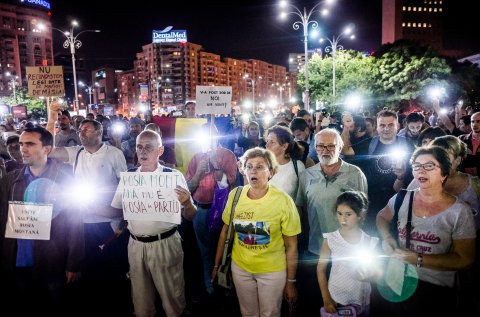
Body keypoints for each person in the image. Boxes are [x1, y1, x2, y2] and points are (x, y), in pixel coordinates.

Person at [46, 103, 130, 316]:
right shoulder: (76, 153)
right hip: (82, 225)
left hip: (107, 224)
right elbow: (49, 151)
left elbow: (125, 186)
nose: (81, 133)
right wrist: (51, 120)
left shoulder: (114, 154)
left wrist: (120, 217)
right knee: (85, 272)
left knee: (110, 272)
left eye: (86, 129)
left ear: (99, 132)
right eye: (80, 129)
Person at [376, 146, 476, 317]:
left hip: (436, 290)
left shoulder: (460, 212)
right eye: (416, 166)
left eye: (429, 166)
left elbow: (464, 259)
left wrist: (418, 259)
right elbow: (382, 217)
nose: (421, 170)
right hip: (399, 281)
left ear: (444, 173)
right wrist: (386, 238)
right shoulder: (402, 197)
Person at [111, 130, 196, 317]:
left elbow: (191, 215)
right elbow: (117, 208)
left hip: (165, 244)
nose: (143, 152)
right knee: (141, 304)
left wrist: (188, 203)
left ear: (160, 150)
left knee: (173, 300)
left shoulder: (172, 177)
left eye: (148, 147)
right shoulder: (130, 177)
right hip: (136, 245)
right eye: (139, 147)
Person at [0, 127, 84, 316]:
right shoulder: (10, 180)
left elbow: (74, 224)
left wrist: (74, 263)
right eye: (21, 144)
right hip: (18, 262)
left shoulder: (65, 180)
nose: (23, 149)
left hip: (53, 262)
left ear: (47, 148)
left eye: (30, 144)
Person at [212, 147, 301, 317]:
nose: (253, 170)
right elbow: (225, 233)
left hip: (272, 272)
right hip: (240, 269)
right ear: (243, 170)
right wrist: (216, 265)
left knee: (270, 314)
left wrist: (291, 281)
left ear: (271, 172)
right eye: (249, 166)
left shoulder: (283, 201)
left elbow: (291, 245)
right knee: (247, 313)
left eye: (260, 166)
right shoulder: (235, 195)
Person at [295, 128, 368, 316]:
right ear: (314, 148)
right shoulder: (306, 175)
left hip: (346, 252)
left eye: (331, 146)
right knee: (317, 302)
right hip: (315, 248)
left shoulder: (355, 174)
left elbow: (363, 212)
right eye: (320, 146)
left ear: (340, 147)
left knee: (346, 306)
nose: (325, 150)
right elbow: (302, 210)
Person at [186, 124, 238, 296]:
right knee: (205, 250)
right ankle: (208, 281)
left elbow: (227, 183)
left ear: (217, 136)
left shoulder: (228, 155)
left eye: (211, 135)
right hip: (200, 210)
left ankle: (225, 281)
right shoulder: (196, 158)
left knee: (223, 246)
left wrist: (216, 165)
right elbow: (189, 188)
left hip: (223, 211)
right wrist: (199, 172)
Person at [318, 191, 379, 317]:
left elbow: (376, 273)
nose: (342, 219)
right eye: (339, 214)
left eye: (348, 214)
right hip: (336, 299)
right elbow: (320, 270)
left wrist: (368, 275)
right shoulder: (330, 239)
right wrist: (326, 299)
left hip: (361, 301)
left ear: (360, 215)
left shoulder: (369, 241)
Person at [265, 125, 306, 199]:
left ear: (284, 146)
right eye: (267, 141)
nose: (267, 145)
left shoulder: (297, 166)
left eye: (272, 142)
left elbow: (302, 196)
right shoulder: (262, 165)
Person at [459, 111, 480, 176]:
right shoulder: (461, 139)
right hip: (465, 181)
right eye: (472, 121)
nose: (474, 124)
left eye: (478, 121)